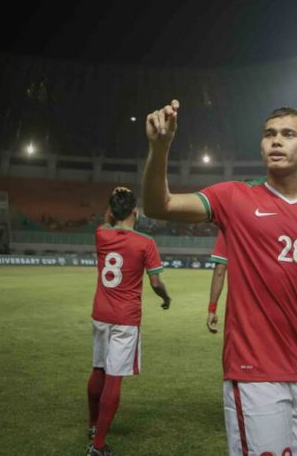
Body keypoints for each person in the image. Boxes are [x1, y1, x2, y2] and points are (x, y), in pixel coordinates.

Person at [142, 101, 297, 456]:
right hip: (253, 374)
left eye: (287, 134)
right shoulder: (234, 196)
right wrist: (160, 148)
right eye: (269, 135)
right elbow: (161, 206)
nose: (276, 141)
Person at [86, 187, 171, 456]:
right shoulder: (146, 243)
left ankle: (92, 425)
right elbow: (155, 282)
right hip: (126, 318)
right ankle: (98, 445)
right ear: (136, 212)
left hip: (100, 314)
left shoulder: (101, 234)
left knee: (98, 369)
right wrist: (166, 297)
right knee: (114, 378)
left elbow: (105, 220)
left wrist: (111, 202)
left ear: (111, 212)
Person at [207, 231, 227, 334]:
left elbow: (220, 271)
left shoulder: (230, 224)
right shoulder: (282, 218)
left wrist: (212, 310)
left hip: (242, 305)